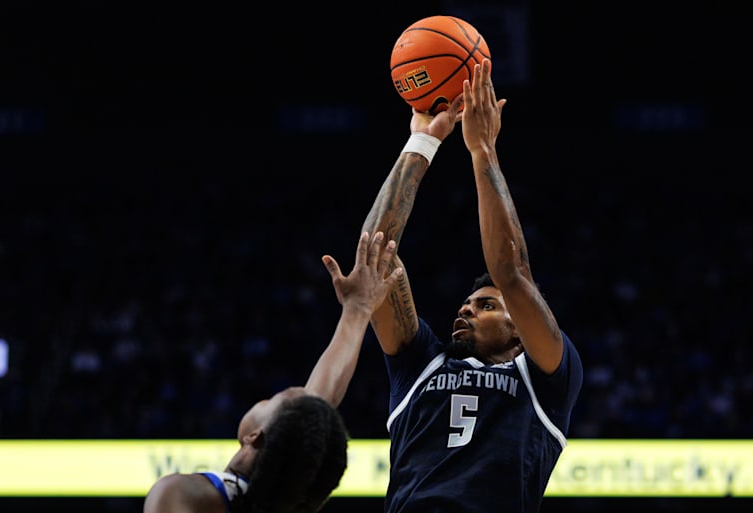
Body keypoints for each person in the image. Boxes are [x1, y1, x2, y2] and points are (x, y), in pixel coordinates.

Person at [360, 58, 584, 513]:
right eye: (467, 303)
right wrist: (422, 138)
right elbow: (375, 259)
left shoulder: (546, 381)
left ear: (519, 330)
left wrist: (483, 150)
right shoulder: (419, 364)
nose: (464, 310)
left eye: (485, 306)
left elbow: (511, 272)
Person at [143, 231, 403, 513]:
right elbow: (314, 410)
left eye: (274, 399)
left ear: (255, 436)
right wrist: (358, 309)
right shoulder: (284, 492)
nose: (266, 399)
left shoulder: (184, 496)